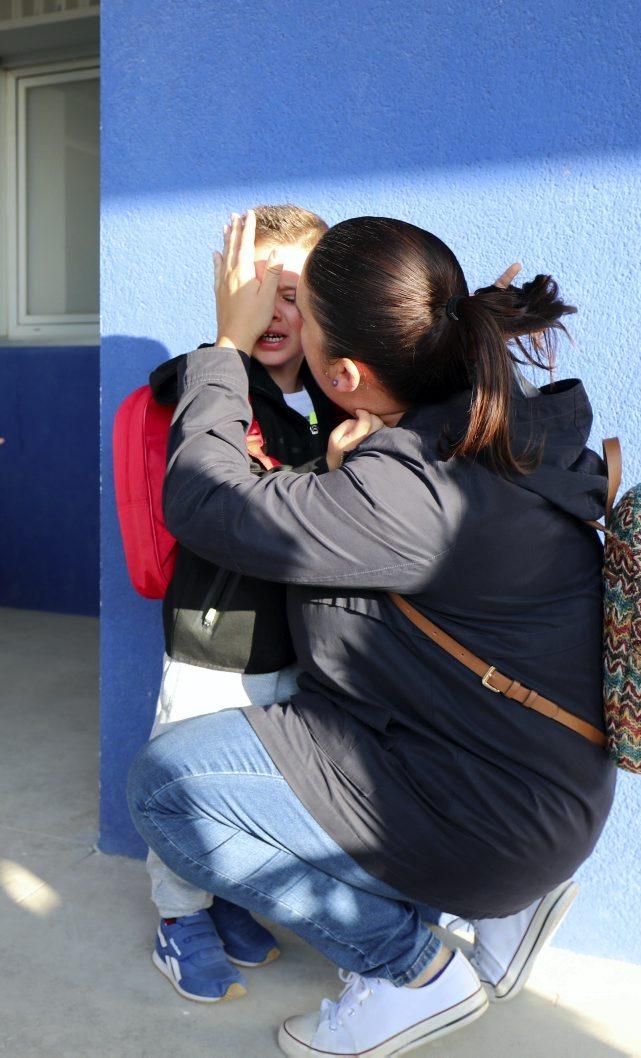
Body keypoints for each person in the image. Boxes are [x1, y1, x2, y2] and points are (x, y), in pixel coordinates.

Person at [128, 210, 617, 1057]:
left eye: (301, 312)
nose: (282, 321)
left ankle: (414, 973)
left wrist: (226, 350)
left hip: (496, 812)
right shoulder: (486, 411)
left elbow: (206, 504)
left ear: (346, 371)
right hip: (537, 780)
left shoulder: (407, 491)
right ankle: (504, 904)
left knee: (168, 791)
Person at [143, 204, 340, 1003]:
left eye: (293, 293)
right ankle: (178, 916)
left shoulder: (331, 396)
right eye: (259, 288)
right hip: (212, 637)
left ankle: (223, 897)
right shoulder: (213, 375)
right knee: (184, 778)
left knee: (259, 783)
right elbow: (186, 401)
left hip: (296, 641)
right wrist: (227, 341)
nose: (275, 311)